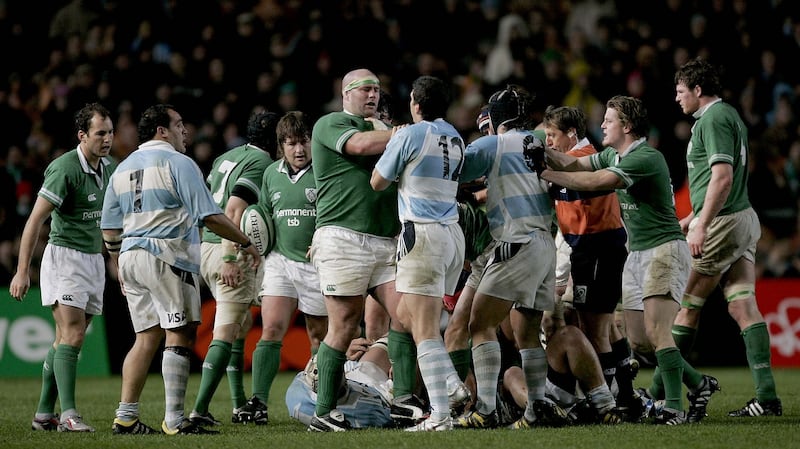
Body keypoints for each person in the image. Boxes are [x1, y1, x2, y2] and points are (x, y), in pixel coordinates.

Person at [540, 95, 718, 425]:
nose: (603, 125)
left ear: (628, 126)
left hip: (663, 249)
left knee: (656, 330)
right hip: (636, 253)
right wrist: (543, 153)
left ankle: (674, 408)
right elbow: (575, 165)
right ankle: (698, 383)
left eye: (609, 120)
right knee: (640, 340)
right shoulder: (613, 153)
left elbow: (595, 182)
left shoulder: (645, 158)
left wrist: (546, 172)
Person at [101, 104, 261, 435]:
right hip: (166, 256)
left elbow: (109, 228)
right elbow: (210, 217)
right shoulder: (179, 163)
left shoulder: (121, 168)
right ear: (162, 130)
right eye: (179, 125)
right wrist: (245, 242)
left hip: (130, 258)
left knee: (145, 337)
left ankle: (126, 417)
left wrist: (118, 263)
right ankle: (175, 420)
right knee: (181, 332)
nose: (184, 131)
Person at [307, 68, 414, 432]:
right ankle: (324, 412)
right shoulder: (331, 123)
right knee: (343, 325)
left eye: (377, 90)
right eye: (365, 89)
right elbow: (359, 147)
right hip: (343, 238)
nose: (373, 95)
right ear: (346, 93)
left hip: (385, 240)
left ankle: (401, 400)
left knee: (407, 317)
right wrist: (401, 134)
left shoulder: (381, 130)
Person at [673, 57, 781, 418]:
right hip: (742, 218)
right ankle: (767, 398)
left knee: (686, 308)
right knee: (741, 305)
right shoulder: (729, 115)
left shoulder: (714, 118)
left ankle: (660, 394)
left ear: (698, 90)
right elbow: (715, 182)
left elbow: (722, 177)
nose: (677, 98)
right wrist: (692, 216)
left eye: (680, 91)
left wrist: (702, 223)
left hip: (724, 222)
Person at [455, 85, 561, 430]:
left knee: (479, 324)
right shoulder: (538, 140)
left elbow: (454, 172)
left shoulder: (493, 144)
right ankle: (537, 407)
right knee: (527, 331)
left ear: (495, 119)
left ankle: (485, 409)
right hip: (546, 244)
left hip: (515, 240)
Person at [371, 75, 471, 431]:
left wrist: (392, 140)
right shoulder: (456, 136)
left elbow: (377, 181)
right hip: (451, 235)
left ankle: (443, 412)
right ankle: (451, 383)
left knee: (425, 327)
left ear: (415, 103)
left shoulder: (411, 135)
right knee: (404, 313)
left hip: (423, 233)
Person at [9, 102, 116, 432]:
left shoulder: (110, 169)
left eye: (110, 132)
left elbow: (112, 223)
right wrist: (22, 269)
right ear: (82, 136)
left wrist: (115, 260)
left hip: (92, 260)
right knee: (71, 335)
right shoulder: (64, 168)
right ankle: (69, 414)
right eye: (101, 133)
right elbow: (35, 220)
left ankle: (44, 414)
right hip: (64, 259)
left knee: (70, 339)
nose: (108, 139)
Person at [540, 105, 640, 418]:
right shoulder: (574, 158)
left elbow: (578, 195)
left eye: (553, 135)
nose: (549, 142)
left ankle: (607, 401)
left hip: (597, 248)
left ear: (571, 133)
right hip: (591, 250)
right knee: (601, 325)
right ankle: (625, 393)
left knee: (594, 329)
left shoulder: (582, 158)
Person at [189, 110, 279, 427]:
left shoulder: (227, 157)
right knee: (226, 331)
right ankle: (199, 410)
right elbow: (233, 208)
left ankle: (240, 403)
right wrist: (230, 255)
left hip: (206, 247)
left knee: (239, 327)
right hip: (230, 249)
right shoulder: (261, 164)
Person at [239, 110, 329, 425]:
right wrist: (252, 244)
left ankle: (323, 397)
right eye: (291, 143)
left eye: (303, 142)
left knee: (320, 336)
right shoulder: (271, 174)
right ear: (282, 145)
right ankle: (259, 402)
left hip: (316, 264)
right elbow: (261, 212)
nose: (299, 149)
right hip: (279, 260)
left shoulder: (324, 171)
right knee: (272, 329)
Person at [286, 336, 395, 429]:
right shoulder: (367, 411)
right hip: (378, 392)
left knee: (391, 339)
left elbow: (309, 372)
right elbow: (393, 413)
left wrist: (342, 353)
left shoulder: (295, 394)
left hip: (353, 380)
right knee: (402, 344)